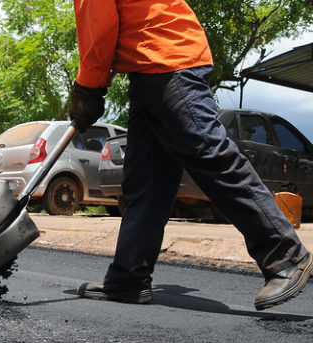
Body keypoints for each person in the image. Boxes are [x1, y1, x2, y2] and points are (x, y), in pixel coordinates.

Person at [71, 0, 311, 310]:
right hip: (150, 66)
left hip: (168, 62)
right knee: (146, 183)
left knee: (211, 156)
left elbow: (99, 33)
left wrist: (88, 88)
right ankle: (128, 278)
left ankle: (287, 256)